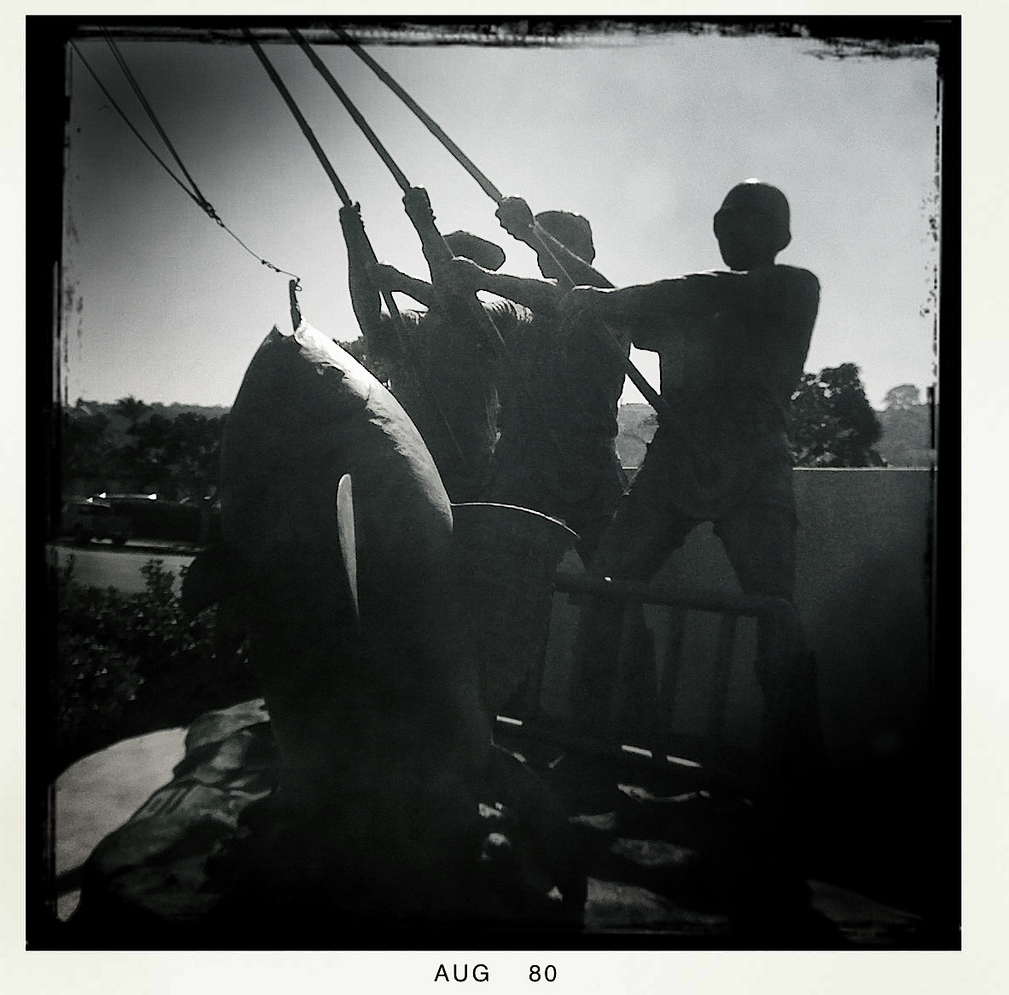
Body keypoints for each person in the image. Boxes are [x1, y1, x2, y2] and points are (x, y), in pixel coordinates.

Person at [558, 180, 823, 784]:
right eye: (723, 223)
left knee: (775, 613)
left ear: (780, 236)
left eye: (743, 222)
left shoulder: (792, 287)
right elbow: (610, 299)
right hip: (672, 463)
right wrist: (536, 240)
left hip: (754, 463)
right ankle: (587, 745)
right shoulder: (683, 308)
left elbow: (679, 293)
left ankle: (797, 776)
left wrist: (604, 300)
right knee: (605, 588)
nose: (728, 232)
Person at [444, 197, 629, 567]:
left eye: (561, 240)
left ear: (589, 252)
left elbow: (568, 300)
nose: (548, 247)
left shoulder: (610, 303)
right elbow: (458, 311)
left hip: (587, 458)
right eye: (549, 238)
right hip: (521, 457)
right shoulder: (522, 312)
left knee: (613, 570)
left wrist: (530, 236)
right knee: (489, 564)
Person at [339, 189, 522, 503]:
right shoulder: (411, 323)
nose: (441, 269)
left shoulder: (498, 315)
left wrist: (406, 273)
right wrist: (355, 240)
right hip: (413, 460)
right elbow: (369, 318)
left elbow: (460, 312)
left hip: (472, 464)